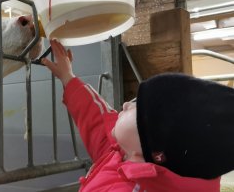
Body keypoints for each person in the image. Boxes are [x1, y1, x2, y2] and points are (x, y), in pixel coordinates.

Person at [41, 39, 234, 192]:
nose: (126, 105)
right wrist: (68, 77)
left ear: (148, 150)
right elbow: (96, 120)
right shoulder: (124, 152)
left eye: (137, 107)